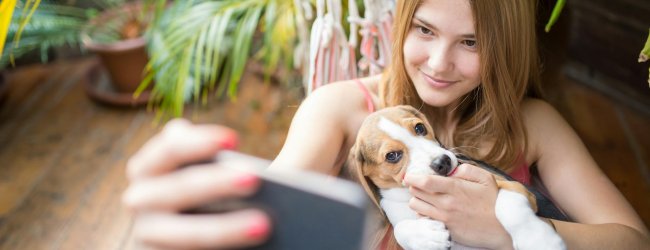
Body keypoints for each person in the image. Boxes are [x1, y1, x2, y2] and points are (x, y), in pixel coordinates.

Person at [122, 0, 650, 249]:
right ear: (401, 25)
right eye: (424, 29)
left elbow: (631, 239)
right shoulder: (340, 110)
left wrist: (509, 230)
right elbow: (267, 221)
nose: (439, 63)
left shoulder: (531, 122)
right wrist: (207, 220)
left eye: (471, 43)